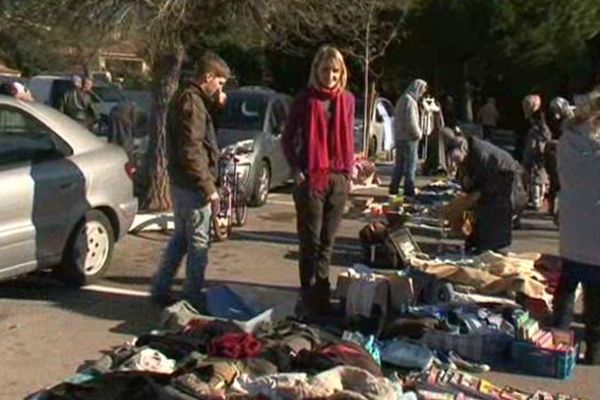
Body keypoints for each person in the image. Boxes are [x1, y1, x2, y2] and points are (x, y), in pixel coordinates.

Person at [151, 52, 231, 308]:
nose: (220, 88)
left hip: (182, 182)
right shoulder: (192, 104)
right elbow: (192, 149)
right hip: (192, 184)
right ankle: (192, 296)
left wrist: (217, 105)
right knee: (198, 242)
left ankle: (160, 288)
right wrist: (209, 188)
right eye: (219, 82)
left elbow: (205, 137)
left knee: (181, 239)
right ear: (208, 77)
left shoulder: (190, 99)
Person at [282, 45, 355, 316]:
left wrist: (349, 174)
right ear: (316, 70)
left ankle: (321, 299)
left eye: (335, 71)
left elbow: (348, 139)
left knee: (327, 242)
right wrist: (296, 170)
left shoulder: (347, 100)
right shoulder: (305, 99)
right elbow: (287, 139)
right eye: (325, 70)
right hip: (311, 177)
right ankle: (308, 297)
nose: (330, 76)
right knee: (310, 243)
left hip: (338, 178)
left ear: (342, 73)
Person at [552, 98, 600, 365]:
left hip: (571, 223)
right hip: (596, 230)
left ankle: (557, 345)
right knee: (595, 295)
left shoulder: (565, 144)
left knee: (567, 287)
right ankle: (594, 351)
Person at [445, 132, 526, 254]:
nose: (456, 163)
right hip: (492, 180)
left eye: (457, 159)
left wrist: (477, 193)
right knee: (474, 209)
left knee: (492, 213)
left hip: (505, 179)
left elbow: (491, 179)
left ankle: (490, 248)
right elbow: (470, 176)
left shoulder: (482, 154)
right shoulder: (469, 152)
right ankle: (475, 241)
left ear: (463, 149)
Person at [389, 79, 428, 196]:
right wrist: (418, 134)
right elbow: (411, 122)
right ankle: (409, 189)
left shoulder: (402, 99)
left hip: (400, 137)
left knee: (399, 165)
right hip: (409, 138)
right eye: (421, 91)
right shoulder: (410, 101)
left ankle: (394, 187)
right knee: (411, 165)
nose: (422, 94)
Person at [545, 97, 576, 216]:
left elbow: (570, 140)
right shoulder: (566, 118)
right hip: (564, 154)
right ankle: (554, 209)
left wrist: (555, 143)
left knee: (560, 181)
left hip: (570, 156)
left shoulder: (570, 119)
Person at [522, 94, 551, 210]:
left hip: (535, 151)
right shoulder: (542, 121)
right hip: (540, 150)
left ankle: (536, 200)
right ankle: (539, 198)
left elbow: (532, 144)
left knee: (535, 178)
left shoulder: (535, 125)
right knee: (540, 176)